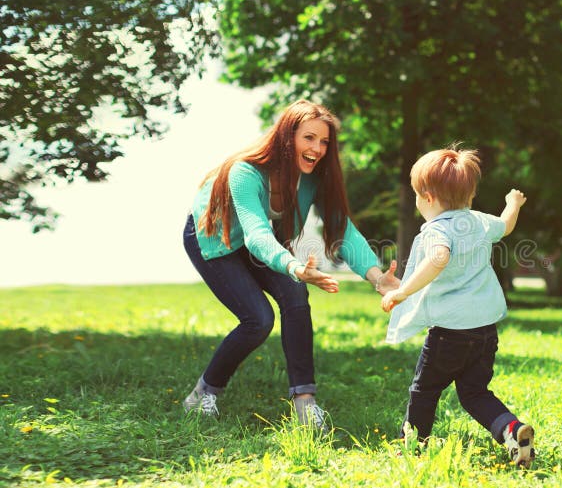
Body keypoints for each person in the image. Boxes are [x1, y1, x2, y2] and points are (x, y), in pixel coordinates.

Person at [182, 99, 399, 426]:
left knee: (296, 296)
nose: (318, 148)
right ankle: (203, 393)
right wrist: (294, 266)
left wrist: (376, 277)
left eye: (324, 141)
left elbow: (342, 228)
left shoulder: (312, 178)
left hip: (261, 242)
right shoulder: (246, 171)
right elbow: (255, 232)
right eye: (309, 138)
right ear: (287, 137)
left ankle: (304, 402)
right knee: (258, 319)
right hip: (214, 236)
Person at [381, 147, 535, 467]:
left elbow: (438, 257)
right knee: (475, 392)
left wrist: (403, 292)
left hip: (449, 333)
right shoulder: (479, 222)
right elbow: (506, 227)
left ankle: (412, 445)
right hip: (485, 331)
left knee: (424, 390)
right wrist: (512, 204)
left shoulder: (439, 228)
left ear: (427, 197)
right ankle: (512, 429)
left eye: (415, 196)